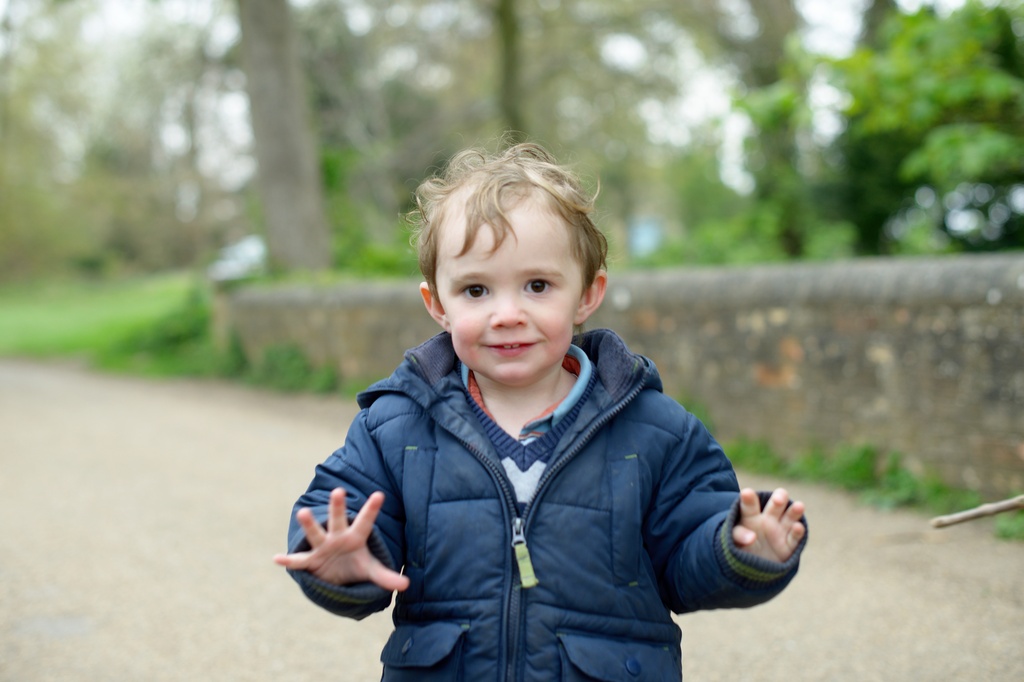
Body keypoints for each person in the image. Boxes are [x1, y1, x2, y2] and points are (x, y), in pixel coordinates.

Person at [274, 142, 808, 680]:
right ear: (437, 304)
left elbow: (688, 560)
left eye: (537, 286)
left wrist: (741, 550)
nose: (507, 314)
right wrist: (342, 559)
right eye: (476, 290)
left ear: (587, 295)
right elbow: (338, 511)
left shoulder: (656, 431)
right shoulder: (395, 427)